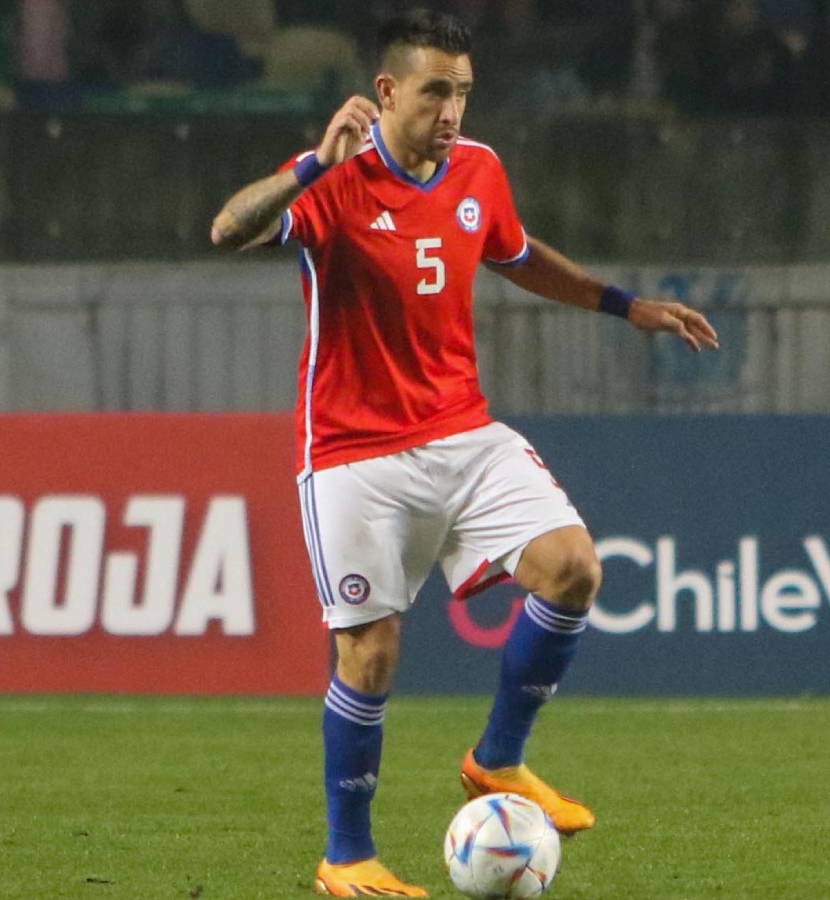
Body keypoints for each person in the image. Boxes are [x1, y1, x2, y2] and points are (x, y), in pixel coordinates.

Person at [209, 9, 719, 897]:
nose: (452, 109)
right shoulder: (333, 185)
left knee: (574, 569)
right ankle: (348, 855)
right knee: (370, 653)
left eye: (465, 92)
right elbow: (227, 228)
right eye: (438, 90)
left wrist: (624, 304)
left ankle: (497, 759)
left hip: (463, 433)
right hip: (354, 453)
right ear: (388, 91)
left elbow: (515, 255)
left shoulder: (479, 169)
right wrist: (309, 166)